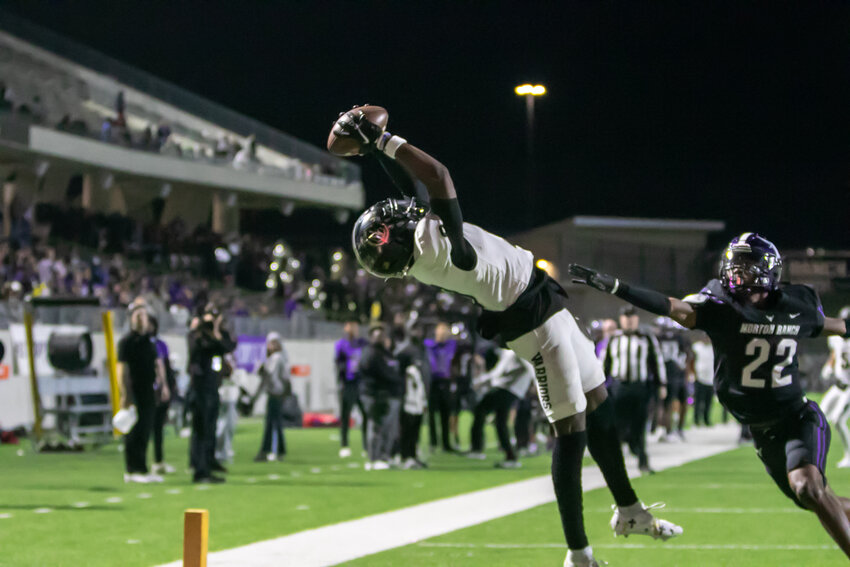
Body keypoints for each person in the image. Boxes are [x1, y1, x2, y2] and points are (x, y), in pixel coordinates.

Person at [334, 106, 681, 567]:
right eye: (389, 223)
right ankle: (578, 554)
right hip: (533, 325)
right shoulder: (438, 248)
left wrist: (377, 151)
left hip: (542, 302)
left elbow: (411, 189)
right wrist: (383, 141)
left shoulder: (419, 243)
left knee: (599, 400)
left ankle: (629, 509)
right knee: (571, 432)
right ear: (395, 243)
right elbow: (437, 176)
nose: (397, 213)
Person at [570, 232, 850, 558]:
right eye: (734, 264)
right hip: (762, 432)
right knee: (813, 499)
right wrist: (621, 288)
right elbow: (673, 306)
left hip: (797, 417)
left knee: (809, 487)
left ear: (767, 269)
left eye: (746, 265)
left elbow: (836, 326)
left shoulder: (795, 304)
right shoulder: (721, 305)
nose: (737, 272)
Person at [602, 306, 666, 475]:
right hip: (619, 387)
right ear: (620, 320)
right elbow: (604, 364)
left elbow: (656, 361)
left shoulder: (646, 338)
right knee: (616, 426)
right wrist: (599, 386)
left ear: (637, 319)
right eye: (625, 317)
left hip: (639, 387)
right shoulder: (613, 339)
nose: (629, 320)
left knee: (640, 424)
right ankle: (616, 465)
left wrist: (662, 384)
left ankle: (643, 462)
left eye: (632, 317)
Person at [117, 303, 167, 483]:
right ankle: (132, 469)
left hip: (149, 390)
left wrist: (162, 385)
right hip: (134, 389)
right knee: (134, 431)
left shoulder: (149, 341)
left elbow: (156, 364)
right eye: (138, 316)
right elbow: (122, 369)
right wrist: (124, 393)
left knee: (145, 429)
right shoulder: (126, 342)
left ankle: (142, 467)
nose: (141, 319)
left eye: (143, 316)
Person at [187, 303, 236, 484]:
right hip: (200, 390)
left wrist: (216, 328)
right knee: (201, 431)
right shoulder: (197, 339)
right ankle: (200, 469)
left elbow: (227, 346)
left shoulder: (213, 341)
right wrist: (206, 327)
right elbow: (202, 346)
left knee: (210, 430)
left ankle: (206, 466)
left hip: (211, 389)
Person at [469, 347, 534, 468]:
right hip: (510, 389)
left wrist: (538, 383)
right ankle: (510, 457)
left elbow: (530, 367)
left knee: (480, 410)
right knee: (500, 422)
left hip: (506, 388)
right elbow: (498, 372)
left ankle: (477, 448)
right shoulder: (511, 351)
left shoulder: (517, 349)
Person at [358, 323, 404, 470]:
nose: (380, 338)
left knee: (389, 428)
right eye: (377, 335)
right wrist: (397, 379)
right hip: (375, 395)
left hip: (387, 394)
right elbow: (384, 373)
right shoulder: (370, 353)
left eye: (382, 335)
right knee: (377, 426)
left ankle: (384, 455)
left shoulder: (386, 353)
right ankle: (374, 457)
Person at [395, 325, 431, 469]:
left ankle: (413, 455)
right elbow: (399, 376)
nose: (419, 332)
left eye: (420, 329)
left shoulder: (422, 350)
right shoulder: (405, 352)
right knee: (407, 428)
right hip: (408, 398)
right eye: (416, 329)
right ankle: (405, 456)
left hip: (420, 398)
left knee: (416, 428)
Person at [820, 306, 850, 468]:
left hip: (849, 388)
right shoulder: (836, 338)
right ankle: (817, 451)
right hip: (838, 386)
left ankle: (849, 455)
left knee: (838, 419)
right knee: (819, 414)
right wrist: (829, 366)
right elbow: (834, 354)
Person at [254, 332, 291, 462]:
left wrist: (261, 368)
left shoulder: (276, 358)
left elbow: (270, 374)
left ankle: (267, 450)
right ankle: (278, 450)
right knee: (275, 423)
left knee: (272, 423)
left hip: (276, 394)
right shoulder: (277, 357)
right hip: (276, 394)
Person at [655, 316, 692, 442]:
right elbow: (687, 357)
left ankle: (669, 430)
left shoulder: (658, 338)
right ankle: (672, 430)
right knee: (671, 404)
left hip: (670, 375)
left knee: (667, 404)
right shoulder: (680, 339)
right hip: (675, 375)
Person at [335, 320, 368, 458]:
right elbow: (338, 363)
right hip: (348, 383)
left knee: (366, 415)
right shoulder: (341, 344)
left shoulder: (363, 343)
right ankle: (344, 444)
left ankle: (367, 445)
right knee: (345, 415)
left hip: (361, 384)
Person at [424, 321, 457, 452]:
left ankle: (446, 443)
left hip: (446, 381)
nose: (443, 334)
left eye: (445, 331)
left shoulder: (450, 345)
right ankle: (433, 442)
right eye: (441, 331)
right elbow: (428, 345)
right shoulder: (430, 344)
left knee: (445, 413)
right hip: (433, 382)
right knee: (432, 414)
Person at [149, 316, 176, 475]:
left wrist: (167, 386)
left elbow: (164, 366)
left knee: (159, 427)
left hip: (159, 390)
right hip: (147, 389)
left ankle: (158, 461)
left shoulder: (160, 344)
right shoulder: (143, 344)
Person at [691, 332, 715, 427]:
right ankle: (696, 420)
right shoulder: (696, 347)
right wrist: (693, 374)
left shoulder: (713, 348)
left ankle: (706, 419)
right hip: (699, 377)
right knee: (698, 400)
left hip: (710, 378)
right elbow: (691, 360)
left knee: (708, 401)